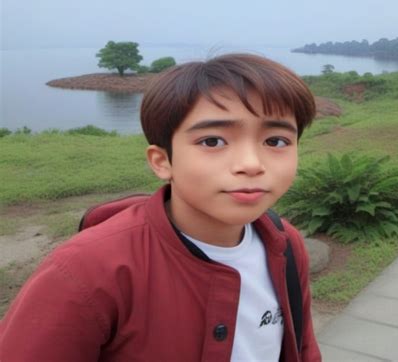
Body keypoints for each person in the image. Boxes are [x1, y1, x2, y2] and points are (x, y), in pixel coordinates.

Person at [0, 53, 322, 361]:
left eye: (276, 141)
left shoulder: (285, 244)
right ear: (162, 161)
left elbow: (303, 348)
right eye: (212, 141)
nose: (251, 164)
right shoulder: (87, 272)